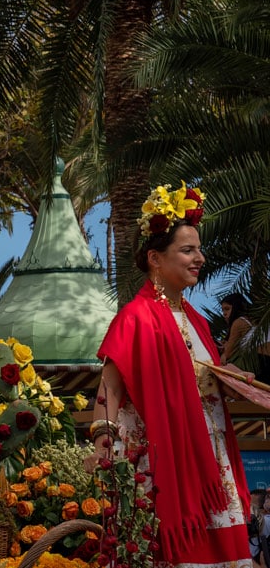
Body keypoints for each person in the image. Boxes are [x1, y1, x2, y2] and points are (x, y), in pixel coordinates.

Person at [92, 183, 252, 567]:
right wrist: (102, 445)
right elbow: (108, 389)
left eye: (198, 249)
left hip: (210, 458)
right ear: (155, 258)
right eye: (187, 250)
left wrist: (229, 380)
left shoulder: (196, 321)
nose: (200, 257)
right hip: (161, 461)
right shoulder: (136, 317)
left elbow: (201, 387)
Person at [222, 292, 255, 365]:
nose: (224, 313)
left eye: (227, 309)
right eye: (223, 310)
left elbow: (228, 354)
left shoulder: (239, 322)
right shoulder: (251, 320)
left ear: (236, 307)